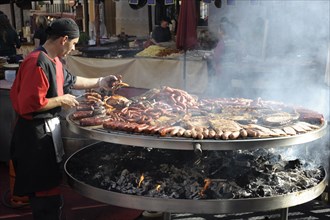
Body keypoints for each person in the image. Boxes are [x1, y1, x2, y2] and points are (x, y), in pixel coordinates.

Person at [9, 18, 118, 220]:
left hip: (48, 133)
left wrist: (101, 81)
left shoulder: (55, 61)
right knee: (44, 196)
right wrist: (61, 99)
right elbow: (29, 105)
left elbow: (73, 81)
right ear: (64, 39)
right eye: (74, 44)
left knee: (52, 191)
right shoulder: (37, 62)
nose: (73, 48)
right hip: (34, 138)